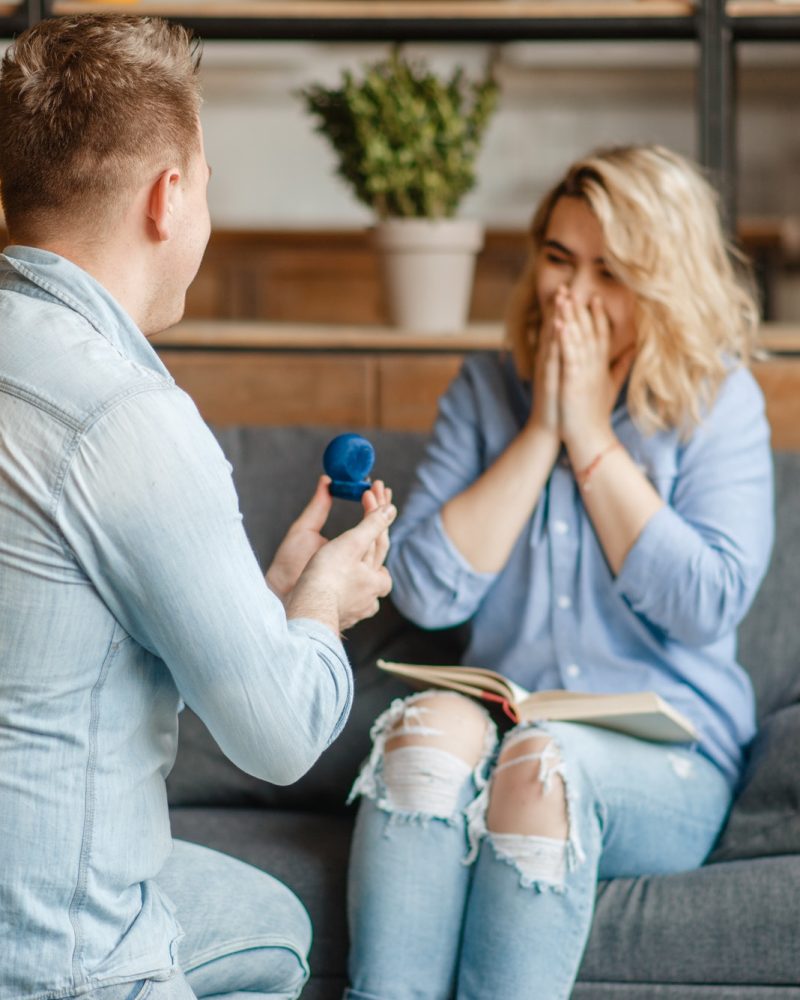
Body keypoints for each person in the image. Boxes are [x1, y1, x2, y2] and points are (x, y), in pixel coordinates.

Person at [0, 13, 395, 1000]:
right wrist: (316, 608)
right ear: (168, 198)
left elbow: (53, 652)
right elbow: (279, 731)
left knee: (266, 918)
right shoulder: (127, 417)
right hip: (59, 958)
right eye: (209, 188)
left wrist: (254, 600)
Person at [345, 144, 774, 999]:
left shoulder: (718, 400)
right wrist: (542, 430)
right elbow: (426, 592)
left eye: (609, 273)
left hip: (669, 756)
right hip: (511, 724)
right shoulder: (484, 392)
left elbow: (708, 604)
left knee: (545, 765)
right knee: (424, 736)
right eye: (557, 259)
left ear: (663, 286)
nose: (569, 295)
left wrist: (592, 439)